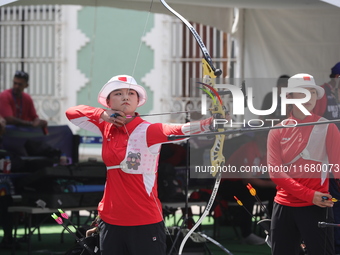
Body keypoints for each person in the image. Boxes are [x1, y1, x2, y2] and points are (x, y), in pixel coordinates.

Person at [65, 75, 228, 255]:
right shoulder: (105, 127)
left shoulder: (149, 130)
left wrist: (211, 123)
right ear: (109, 102)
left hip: (145, 220)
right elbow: (72, 113)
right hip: (110, 219)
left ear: (138, 101)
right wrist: (102, 114)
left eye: (131, 93)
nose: (126, 97)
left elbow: (180, 130)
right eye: (118, 93)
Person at [268, 73, 340, 255]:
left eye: (312, 92)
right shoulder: (276, 131)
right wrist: (310, 195)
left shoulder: (328, 127)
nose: (309, 97)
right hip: (284, 207)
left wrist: (313, 197)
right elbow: (276, 173)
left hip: (318, 206)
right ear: (289, 97)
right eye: (302, 92)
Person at [219, 129, 276, 245]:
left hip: (251, 185)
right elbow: (247, 179)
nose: (267, 139)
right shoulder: (248, 149)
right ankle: (247, 234)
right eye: (265, 136)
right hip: (229, 185)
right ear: (258, 137)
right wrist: (272, 184)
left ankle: (273, 229)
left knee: (276, 193)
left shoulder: (268, 151)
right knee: (249, 194)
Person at [314, 62, 340, 254]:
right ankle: (334, 243)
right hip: (327, 158)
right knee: (333, 200)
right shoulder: (323, 93)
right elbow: (314, 124)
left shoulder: (336, 95)